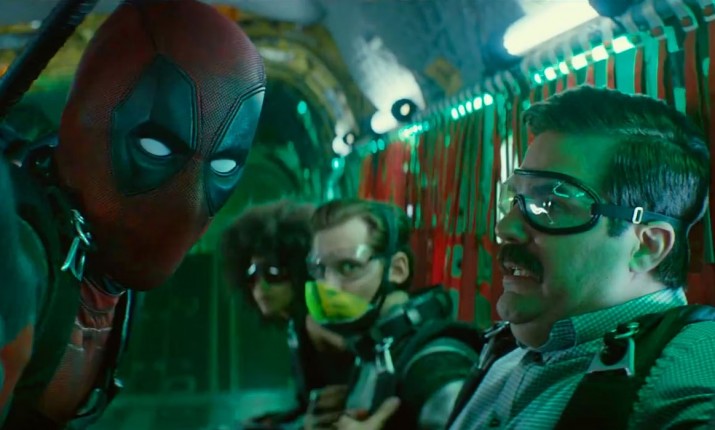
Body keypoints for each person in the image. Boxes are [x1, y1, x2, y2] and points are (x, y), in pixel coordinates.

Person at [0, 0, 266, 427]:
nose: (188, 203)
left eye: (223, 164)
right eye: (156, 147)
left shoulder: (102, 264)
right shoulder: (21, 257)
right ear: (86, 122)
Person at [448, 85, 715, 429]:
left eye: (551, 204)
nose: (506, 227)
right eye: (514, 199)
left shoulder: (689, 369)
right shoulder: (506, 355)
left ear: (647, 247)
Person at [304, 198, 481, 429]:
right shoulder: (374, 350)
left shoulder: (435, 363)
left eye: (348, 267)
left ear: (397, 269)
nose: (329, 286)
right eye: (320, 269)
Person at [221, 200, 353, 428]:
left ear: (300, 270)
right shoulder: (298, 324)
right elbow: (308, 404)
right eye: (252, 274)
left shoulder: (317, 323)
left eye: (273, 272)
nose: (261, 287)